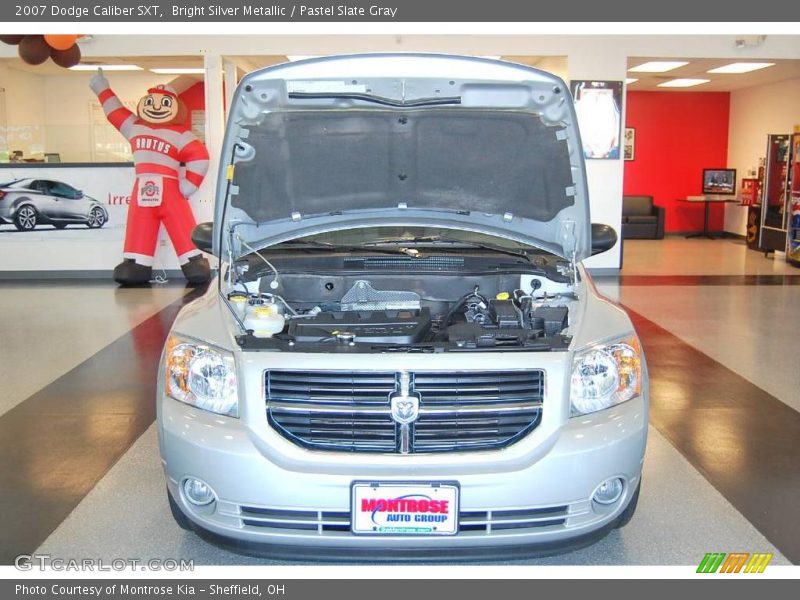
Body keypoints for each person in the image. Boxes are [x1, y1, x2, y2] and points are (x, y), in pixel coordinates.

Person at [90, 68, 211, 285]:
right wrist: (102, 88)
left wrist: (189, 184)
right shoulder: (134, 126)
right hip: (143, 185)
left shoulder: (180, 134)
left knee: (182, 224)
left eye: (163, 103)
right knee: (139, 223)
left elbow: (200, 156)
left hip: (171, 188)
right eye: (151, 102)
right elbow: (114, 112)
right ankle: (137, 263)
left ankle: (193, 261)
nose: (156, 107)